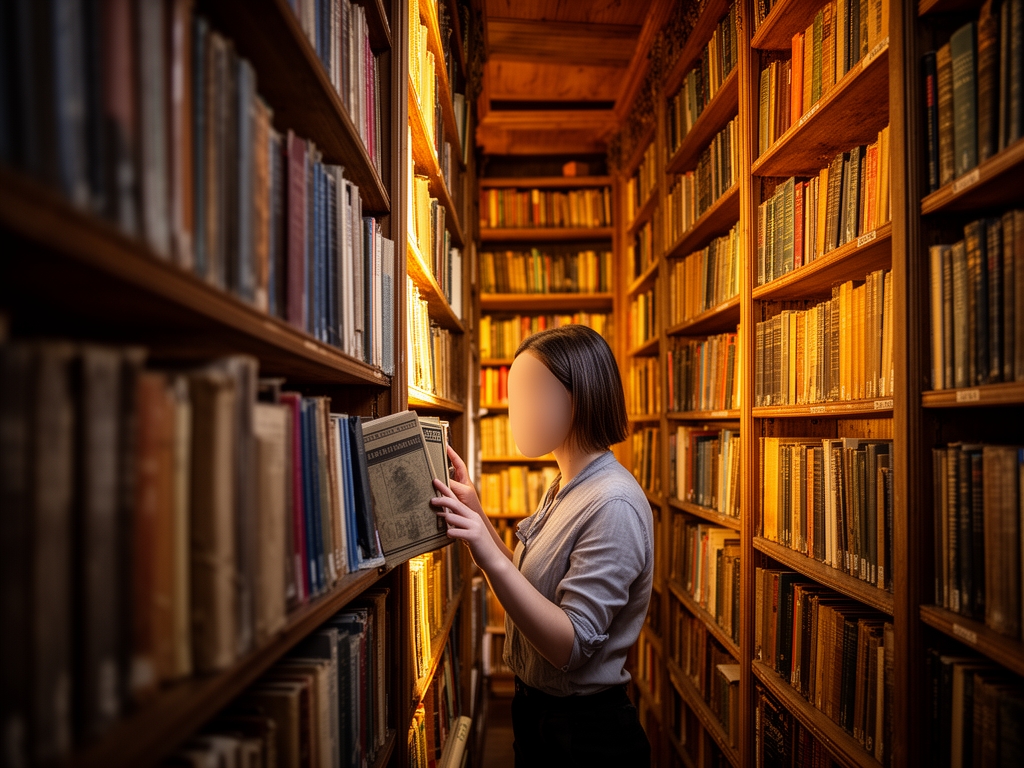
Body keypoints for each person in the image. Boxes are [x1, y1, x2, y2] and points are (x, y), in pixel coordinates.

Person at [431, 324, 654, 767]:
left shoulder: (612, 503)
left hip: (585, 737)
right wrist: (478, 518)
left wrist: (488, 554)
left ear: (578, 398)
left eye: (529, 395)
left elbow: (569, 646)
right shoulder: (565, 485)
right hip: (541, 718)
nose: (513, 413)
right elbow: (533, 587)